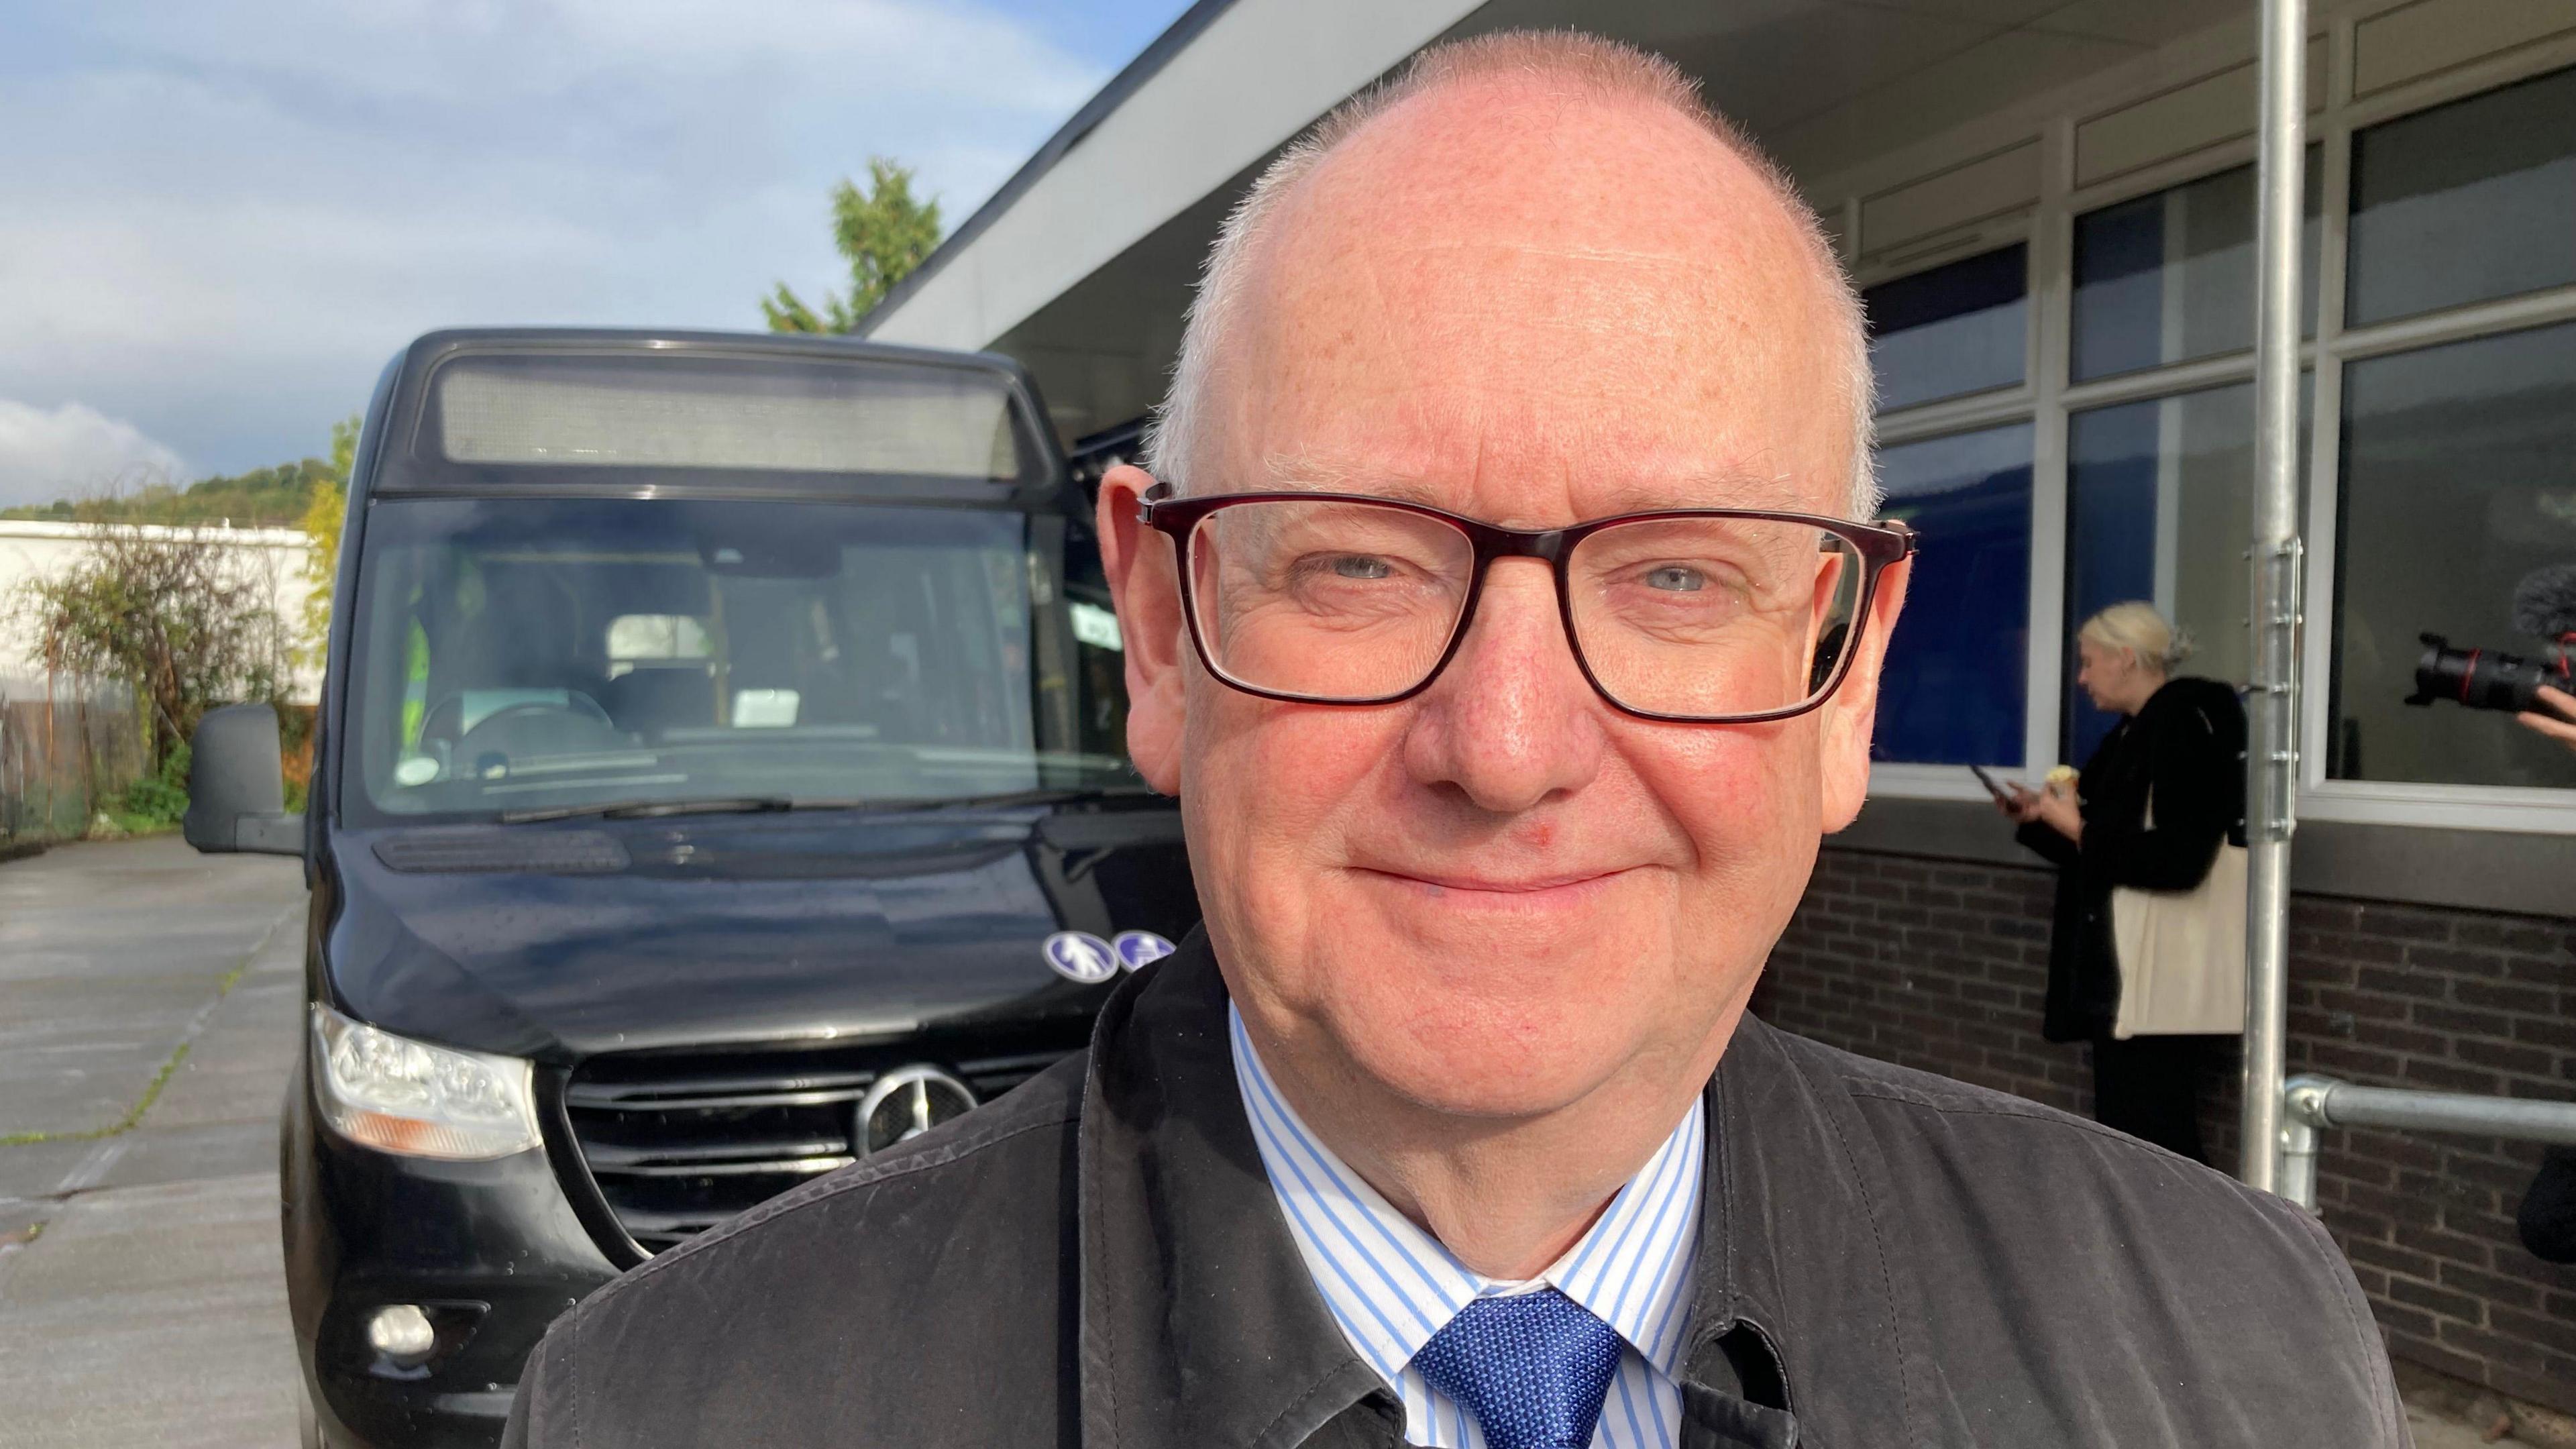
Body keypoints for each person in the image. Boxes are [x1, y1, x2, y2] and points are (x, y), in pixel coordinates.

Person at [505, 34, 2402, 1448]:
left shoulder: (2236, 1357)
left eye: (1675, 578)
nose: (1504, 747)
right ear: (1160, 626)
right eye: (1354, 560)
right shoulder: (677, 1409)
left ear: (1849, 674)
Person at [1999, 602, 2246, 1163]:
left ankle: (2179, 1242)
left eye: (2089, 663)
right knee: (2131, 1124)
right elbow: (2101, 851)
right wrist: (2041, 822)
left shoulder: (2183, 725)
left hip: (2154, 971)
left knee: (2154, 1130)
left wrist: (2079, 828)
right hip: (2124, 970)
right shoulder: (2128, 736)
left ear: (2125, 658)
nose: (2082, 679)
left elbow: (2180, 858)